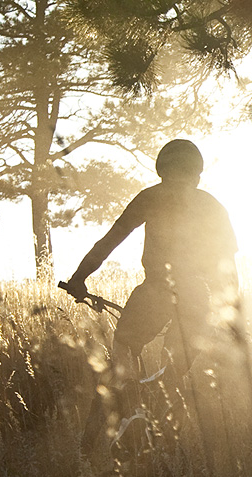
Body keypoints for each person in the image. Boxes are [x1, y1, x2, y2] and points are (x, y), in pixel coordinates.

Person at [63, 138, 239, 379]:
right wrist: (229, 315)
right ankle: (158, 402)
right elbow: (228, 268)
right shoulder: (212, 206)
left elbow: (109, 241)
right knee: (173, 372)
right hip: (196, 296)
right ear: (197, 176)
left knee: (123, 350)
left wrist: (79, 278)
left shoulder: (151, 197)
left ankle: (127, 403)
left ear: (162, 173)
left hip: (156, 290)